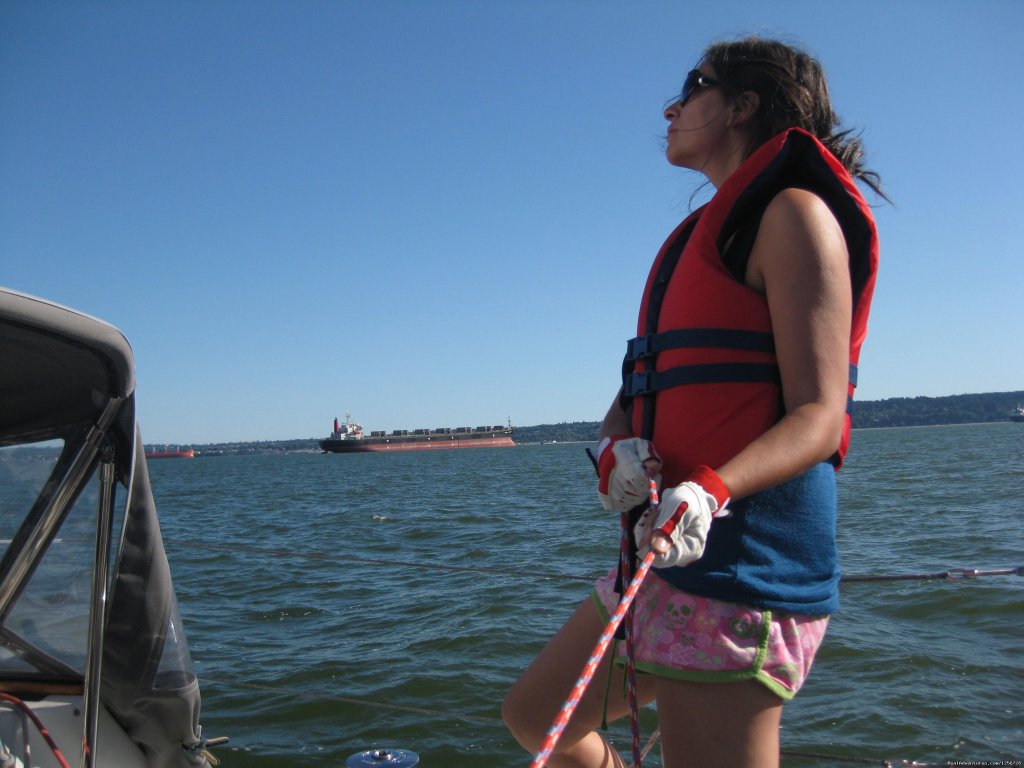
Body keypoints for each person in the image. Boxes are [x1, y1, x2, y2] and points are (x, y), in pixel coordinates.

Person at [502, 36, 883, 768]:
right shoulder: (698, 239)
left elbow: (819, 413)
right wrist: (615, 448)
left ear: (743, 104)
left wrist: (712, 490)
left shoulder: (794, 215)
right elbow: (633, 398)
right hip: (663, 558)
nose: (671, 108)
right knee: (535, 719)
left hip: (743, 565)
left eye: (694, 86)